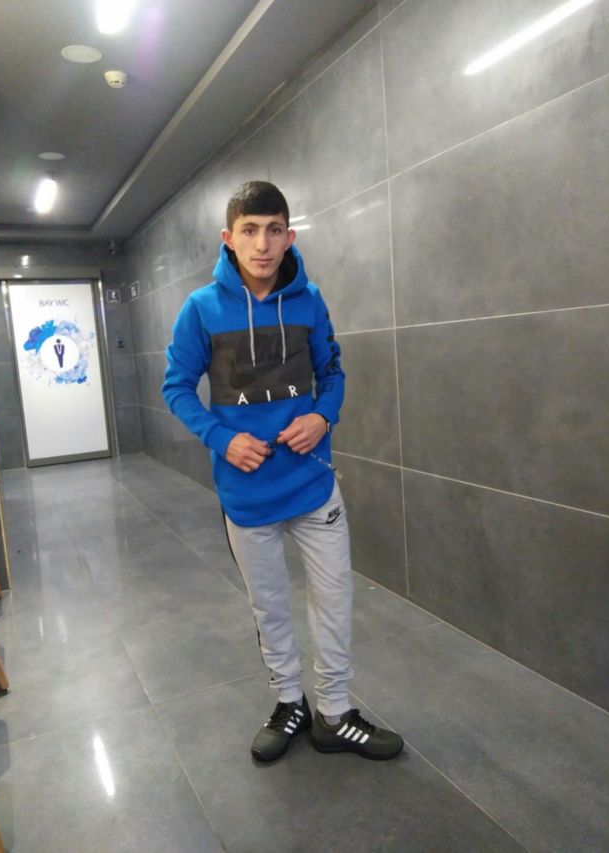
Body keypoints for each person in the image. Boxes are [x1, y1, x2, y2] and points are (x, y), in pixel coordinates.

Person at [163, 181, 403, 762]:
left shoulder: (309, 300)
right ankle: (289, 702)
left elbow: (333, 374)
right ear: (228, 238)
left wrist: (322, 416)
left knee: (335, 599)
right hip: (246, 495)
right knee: (268, 606)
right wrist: (222, 439)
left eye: (274, 230)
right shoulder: (201, 309)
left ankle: (334, 713)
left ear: (290, 235)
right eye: (249, 231)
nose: (262, 244)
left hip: (313, 484)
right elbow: (177, 387)